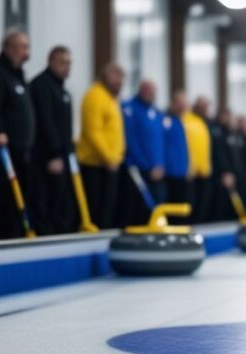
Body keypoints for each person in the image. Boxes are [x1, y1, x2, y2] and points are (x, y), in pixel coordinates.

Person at [0, 30, 36, 239]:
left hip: (23, 151)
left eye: (27, 47)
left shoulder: (19, 75)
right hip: (4, 150)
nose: (26, 53)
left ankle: (20, 236)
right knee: (6, 197)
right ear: (7, 48)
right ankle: (6, 238)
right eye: (22, 47)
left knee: (22, 197)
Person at [29, 46, 75, 234]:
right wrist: (53, 153)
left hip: (63, 156)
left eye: (69, 63)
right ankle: (44, 239)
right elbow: (44, 121)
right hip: (45, 157)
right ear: (50, 62)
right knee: (45, 202)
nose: (67, 67)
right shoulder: (40, 85)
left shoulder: (63, 90)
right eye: (62, 62)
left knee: (62, 203)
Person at [76, 63, 125, 229]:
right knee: (96, 211)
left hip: (110, 164)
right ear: (105, 75)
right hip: (95, 164)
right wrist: (108, 157)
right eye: (115, 76)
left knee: (108, 212)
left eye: (121, 77)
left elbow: (115, 133)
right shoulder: (95, 96)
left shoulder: (112, 100)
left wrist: (117, 156)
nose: (119, 81)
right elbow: (93, 131)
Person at [120, 80, 165, 226]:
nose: (152, 94)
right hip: (136, 168)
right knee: (136, 205)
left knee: (155, 205)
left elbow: (160, 141)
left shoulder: (157, 112)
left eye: (154, 91)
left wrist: (159, 164)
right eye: (149, 91)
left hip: (156, 170)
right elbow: (130, 139)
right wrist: (146, 165)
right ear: (141, 90)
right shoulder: (128, 108)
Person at [183, 96, 212, 223]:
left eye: (207, 107)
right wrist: (189, 165)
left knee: (203, 204)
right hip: (190, 170)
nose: (205, 110)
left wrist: (207, 166)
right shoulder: (186, 119)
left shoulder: (203, 123)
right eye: (203, 106)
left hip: (203, 171)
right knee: (191, 203)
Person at [163, 90, 192, 207]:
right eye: (180, 103)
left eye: (184, 104)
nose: (183, 107)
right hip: (168, 173)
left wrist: (188, 166)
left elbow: (184, 148)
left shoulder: (180, 122)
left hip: (182, 172)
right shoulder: (164, 120)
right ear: (173, 103)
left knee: (182, 204)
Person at [208, 107, 236, 220]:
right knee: (217, 201)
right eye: (224, 115)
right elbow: (218, 154)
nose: (227, 118)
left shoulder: (228, 132)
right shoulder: (215, 130)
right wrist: (225, 171)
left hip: (229, 172)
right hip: (218, 173)